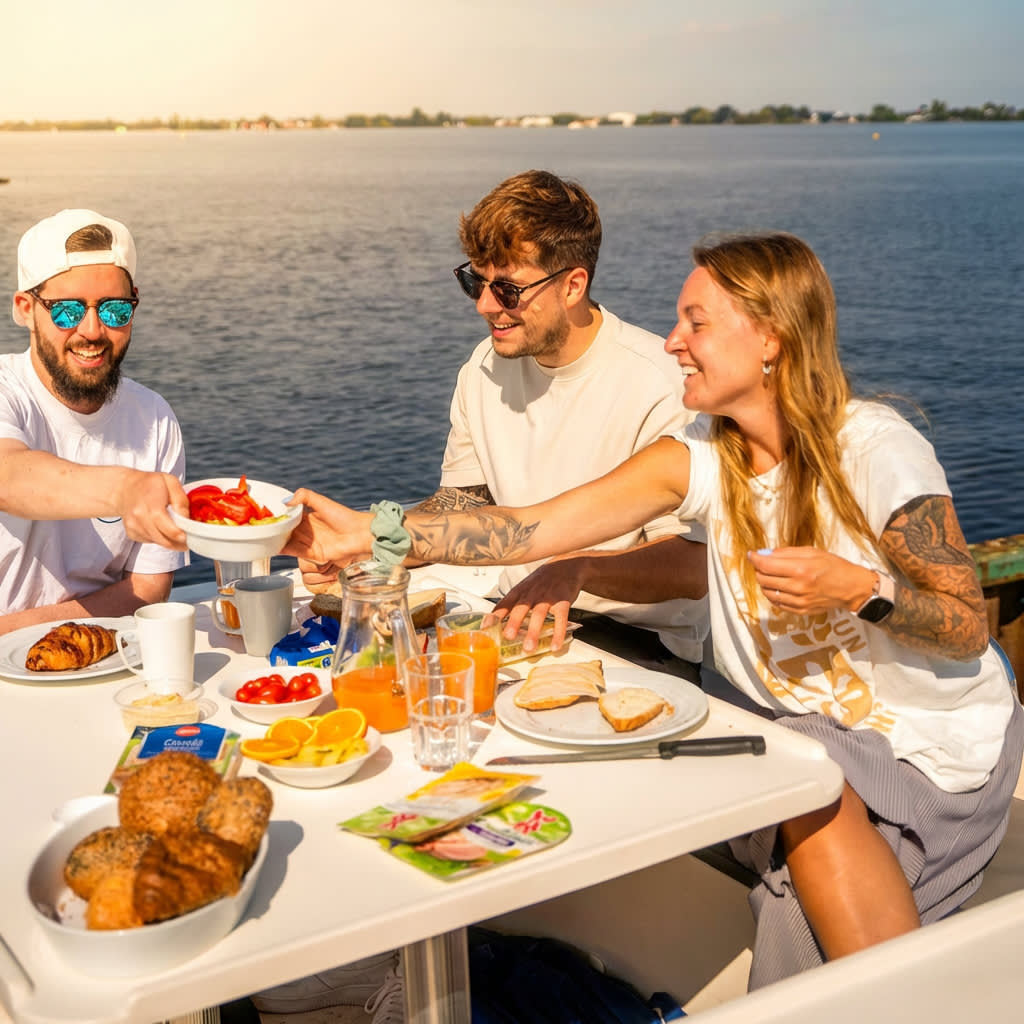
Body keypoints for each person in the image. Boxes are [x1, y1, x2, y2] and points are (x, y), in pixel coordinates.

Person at [283, 231, 1024, 987]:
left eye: (696, 323)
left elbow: (967, 626)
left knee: (809, 802)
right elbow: (536, 526)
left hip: (924, 742)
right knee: (777, 776)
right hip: (797, 726)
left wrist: (862, 591)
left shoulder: (872, 448)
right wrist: (377, 534)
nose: (672, 342)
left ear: (771, 338)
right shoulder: (702, 455)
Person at [298, 168, 708, 678]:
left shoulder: (662, 384)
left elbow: (692, 564)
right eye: (475, 281)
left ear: (573, 285)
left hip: (638, 642)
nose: (484, 305)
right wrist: (374, 549)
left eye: (508, 289)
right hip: (512, 616)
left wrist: (575, 572)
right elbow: (464, 503)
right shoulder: (483, 368)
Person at [1, 208, 189, 636]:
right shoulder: (6, 390)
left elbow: (148, 587)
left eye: (114, 310)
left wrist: (42, 638)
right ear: (26, 309)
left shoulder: (154, 418)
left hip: (100, 648)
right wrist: (125, 490)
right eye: (67, 311)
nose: (92, 330)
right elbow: (8, 478)